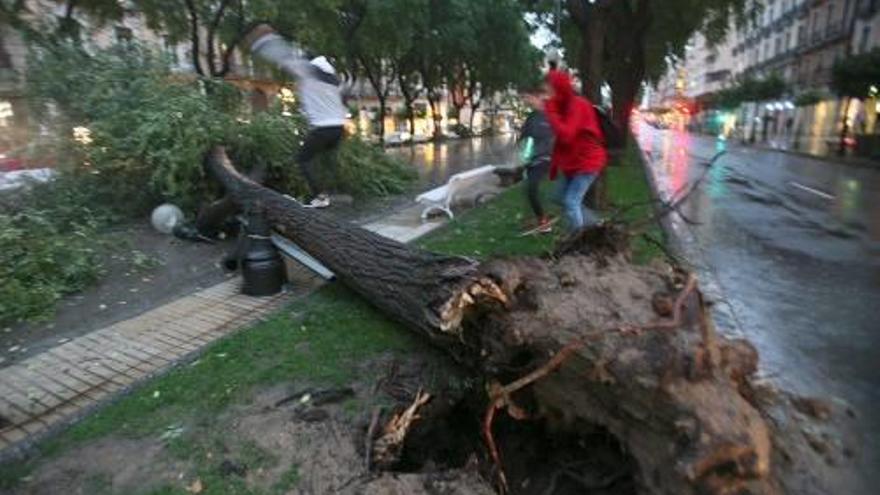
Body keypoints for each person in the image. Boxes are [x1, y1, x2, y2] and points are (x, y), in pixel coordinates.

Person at [245, 24, 347, 208]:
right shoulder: (333, 80)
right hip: (339, 128)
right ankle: (335, 190)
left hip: (322, 128)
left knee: (303, 159)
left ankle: (321, 197)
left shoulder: (311, 72)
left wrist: (264, 42)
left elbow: (286, 57)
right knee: (323, 160)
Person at [544, 69, 608, 233]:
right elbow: (561, 140)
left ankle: (577, 240)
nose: (547, 95)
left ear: (559, 88)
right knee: (559, 197)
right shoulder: (563, 107)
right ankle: (594, 225)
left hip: (588, 162)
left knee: (571, 202)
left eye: (549, 90)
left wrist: (551, 111)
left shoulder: (577, 105)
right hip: (574, 163)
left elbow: (566, 135)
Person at [518, 84, 555, 235]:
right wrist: (523, 155)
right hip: (532, 160)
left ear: (538, 97)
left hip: (547, 159)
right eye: (526, 98)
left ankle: (544, 222)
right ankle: (533, 218)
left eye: (529, 98)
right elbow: (524, 139)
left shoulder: (553, 116)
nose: (527, 101)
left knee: (532, 188)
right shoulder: (532, 117)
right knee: (528, 190)